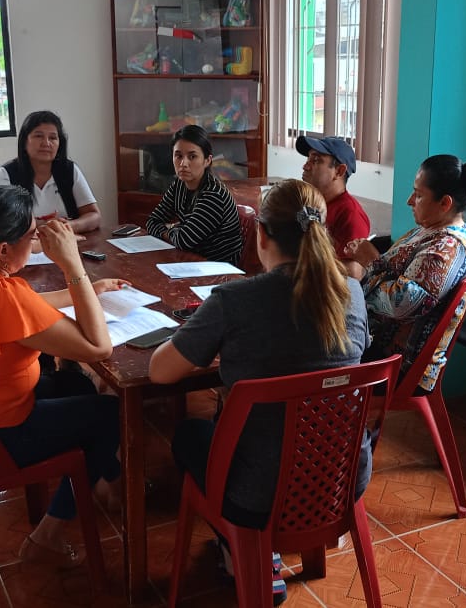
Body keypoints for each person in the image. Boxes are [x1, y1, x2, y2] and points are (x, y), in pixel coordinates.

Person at [150, 179, 369, 605]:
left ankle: (241, 550)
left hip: (256, 495)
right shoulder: (353, 294)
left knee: (189, 435)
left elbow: (160, 372)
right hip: (341, 481)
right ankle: (262, 553)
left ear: (261, 235)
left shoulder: (234, 300)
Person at [0, 185, 125, 564]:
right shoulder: (1, 296)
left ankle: (109, 480)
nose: (36, 243)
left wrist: (87, 291)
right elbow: (99, 347)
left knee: (74, 383)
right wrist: (73, 266)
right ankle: (49, 534)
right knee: (111, 413)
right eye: (31, 236)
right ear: (2, 251)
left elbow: (26, 305)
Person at [345, 154, 466, 391]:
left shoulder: (446, 250)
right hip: (375, 344)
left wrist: (371, 261)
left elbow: (399, 305)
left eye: (419, 195)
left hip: (397, 366)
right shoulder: (429, 231)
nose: (410, 201)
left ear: (445, 203)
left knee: (312, 354)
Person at [145, 125, 244, 265]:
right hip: (189, 261)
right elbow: (152, 221)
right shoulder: (179, 184)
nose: (183, 163)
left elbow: (184, 241)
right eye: (178, 156)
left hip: (217, 269)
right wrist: (175, 231)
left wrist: (171, 228)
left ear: (207, 160)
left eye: (192, 156)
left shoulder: (214, 194)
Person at [0, 110, 101, 233]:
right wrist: (44, 226)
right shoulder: (6, 174)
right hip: (25, 244)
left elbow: (94, 215)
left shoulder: (69, 170)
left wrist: (68, 227)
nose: (46, 143)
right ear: (24, 142)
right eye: (38, 136)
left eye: (53, 138)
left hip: (66, 240)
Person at [297, 135, 371, 278]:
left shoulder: (350, 215)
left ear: (339, 171)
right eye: (308, 159)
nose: (305, 166)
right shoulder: (310, 204)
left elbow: (353, 274)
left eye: (316, 160)